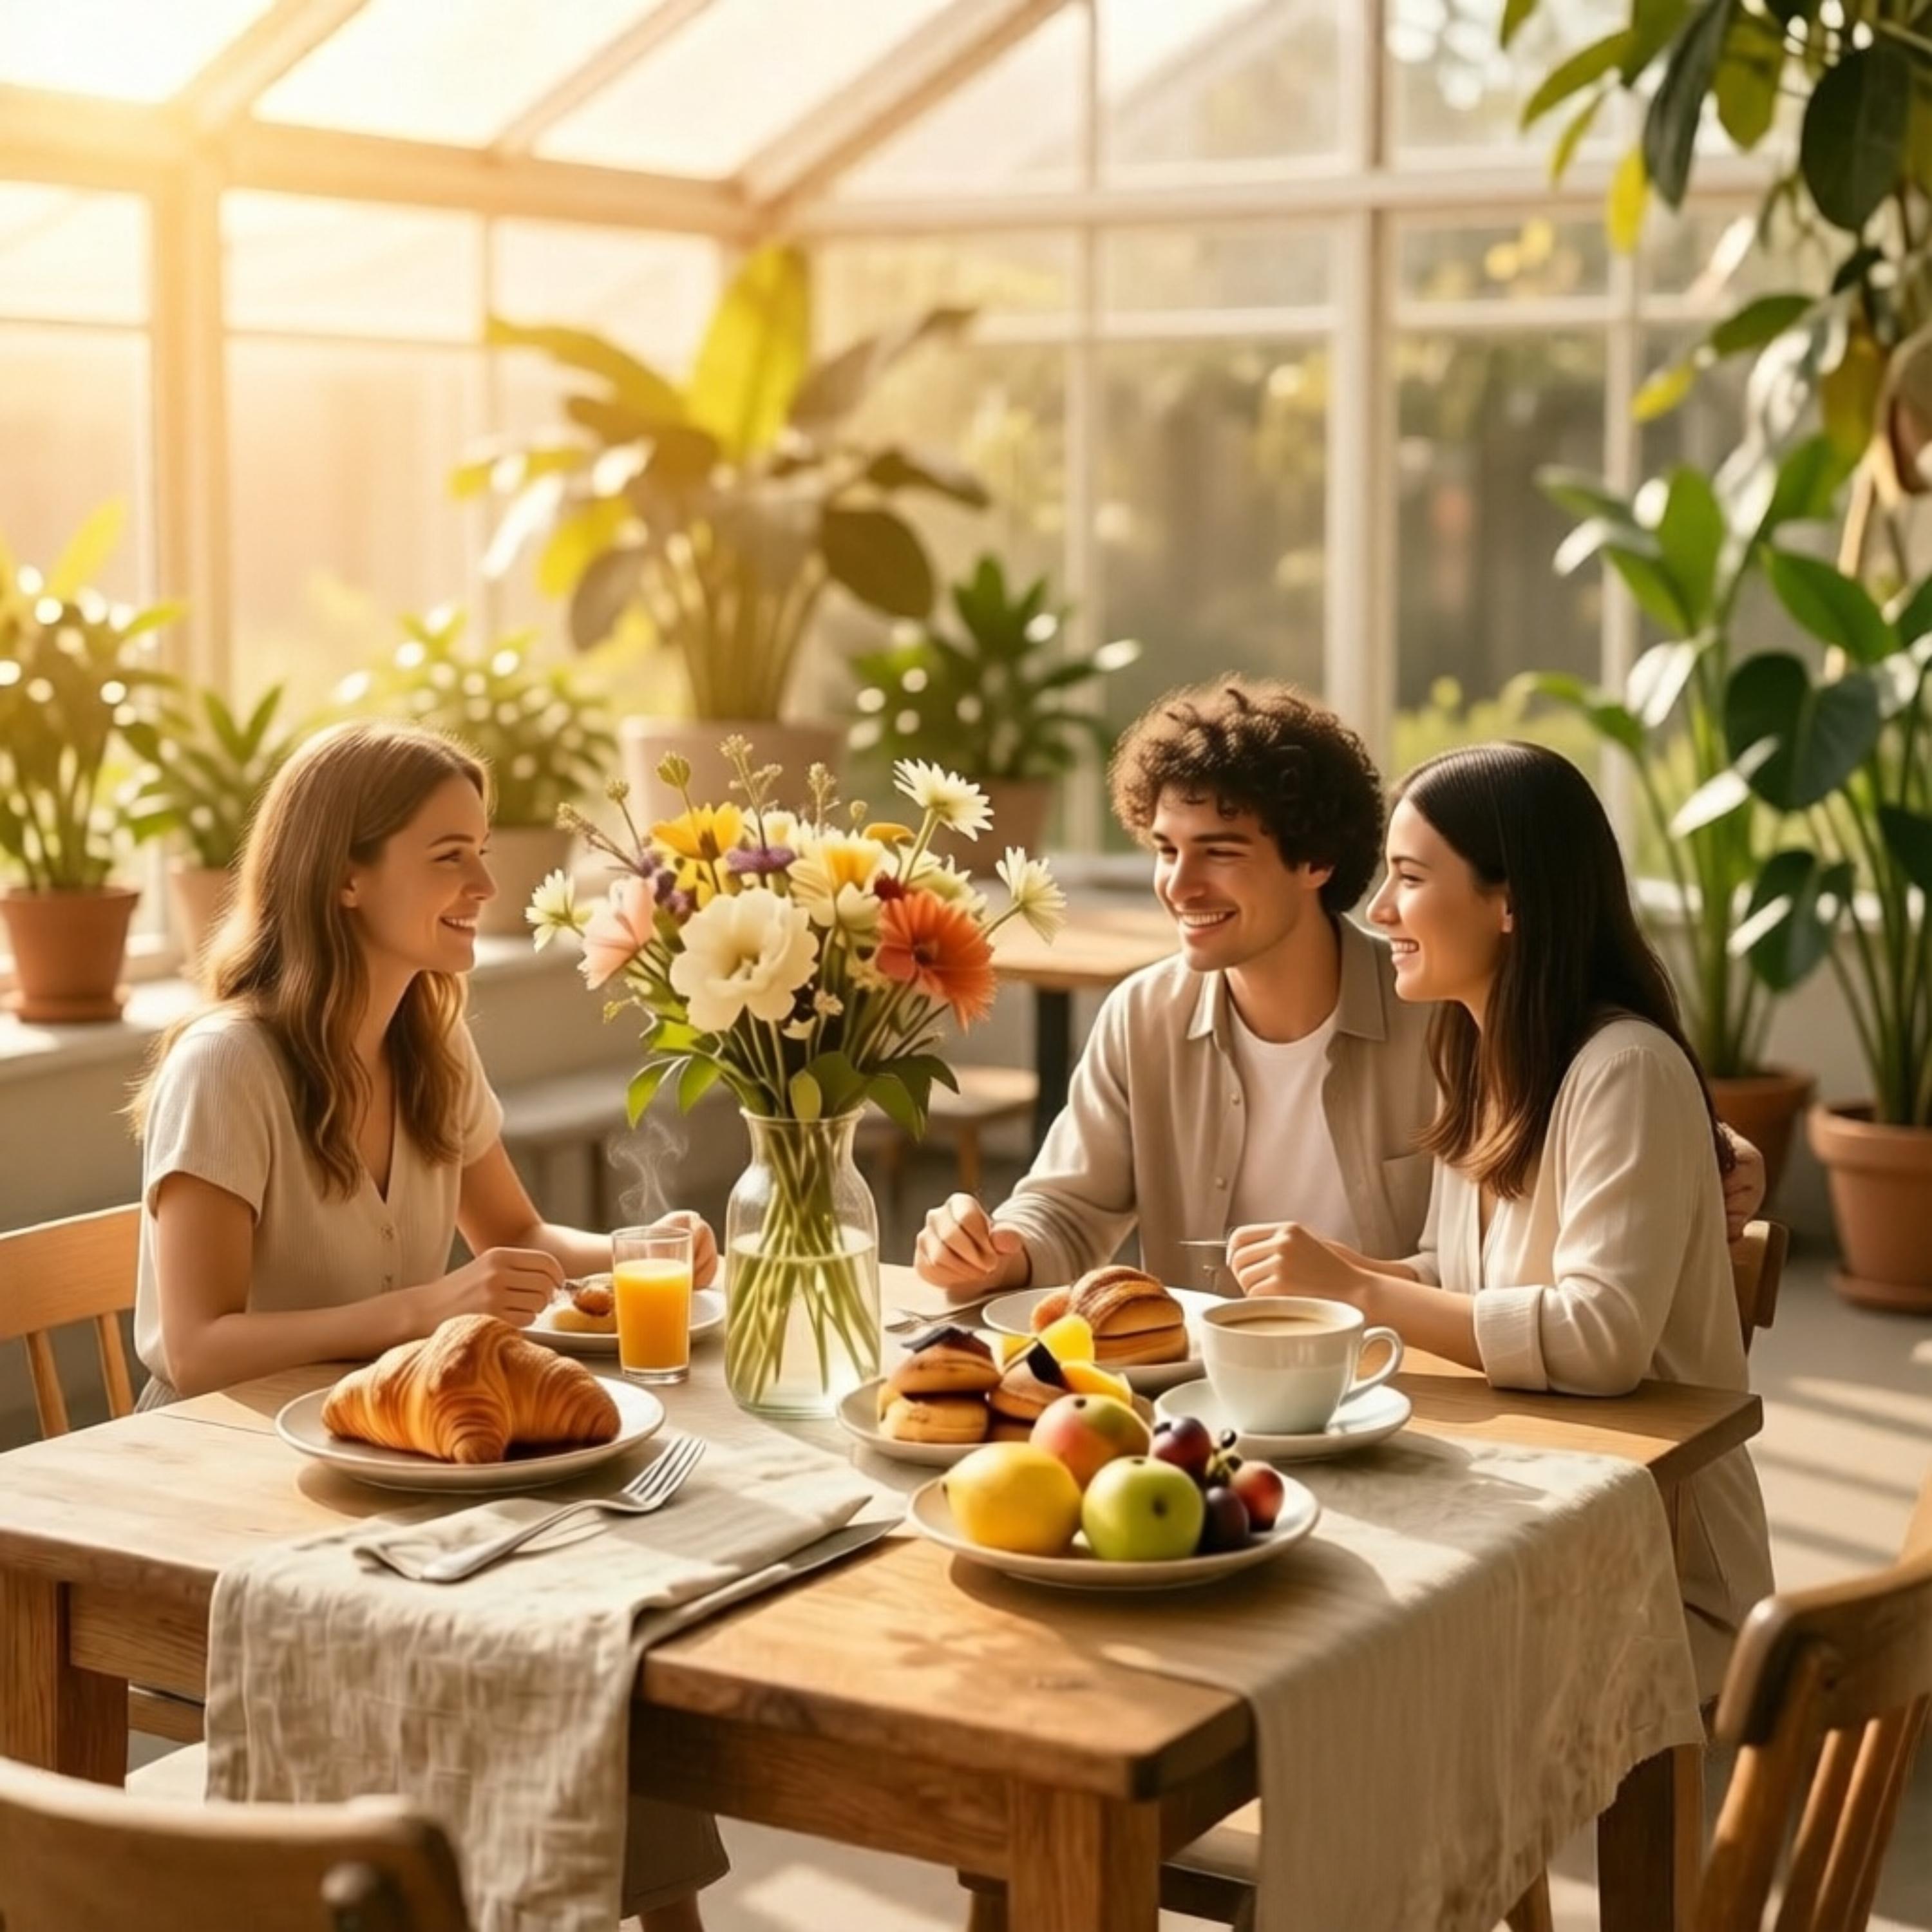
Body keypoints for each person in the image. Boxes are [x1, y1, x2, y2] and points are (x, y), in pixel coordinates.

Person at [129, 721, 725, 1929]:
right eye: (450, 856)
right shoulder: (227, 1065)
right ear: (345, 877)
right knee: (546, 1648)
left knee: (594, 1641)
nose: (485, 885)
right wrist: (420, 1311)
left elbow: (522, 1240)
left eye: (482, 851)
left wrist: (644, 1251)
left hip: (397, 1476)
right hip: (225, 1505)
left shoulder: (429, 1042)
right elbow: (193, 1349)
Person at [913, 678, 1763, 1299]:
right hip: (1201, 1408)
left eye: (1219, 852)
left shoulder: (1443, 1009)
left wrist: (1719, 1154)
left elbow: (1588, 1110)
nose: (1179, 884)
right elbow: (1067, 1210)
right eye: (1166, 850)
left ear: (1316, 860)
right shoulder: (1143, 1016)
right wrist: (999, 1251)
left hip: (1416, 1399)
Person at [1235, 741, 1774, 1691]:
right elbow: (1457, 1276)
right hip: (1537, 1519)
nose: (1380, 911)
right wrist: (1345, 1277)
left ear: (1509, 903)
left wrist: (1364, 1293)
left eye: (1410, 879)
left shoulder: (1625, 1071)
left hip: (1658, 1576)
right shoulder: (1485, 1059)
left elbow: (1599, 1340)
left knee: (1351, 1664)